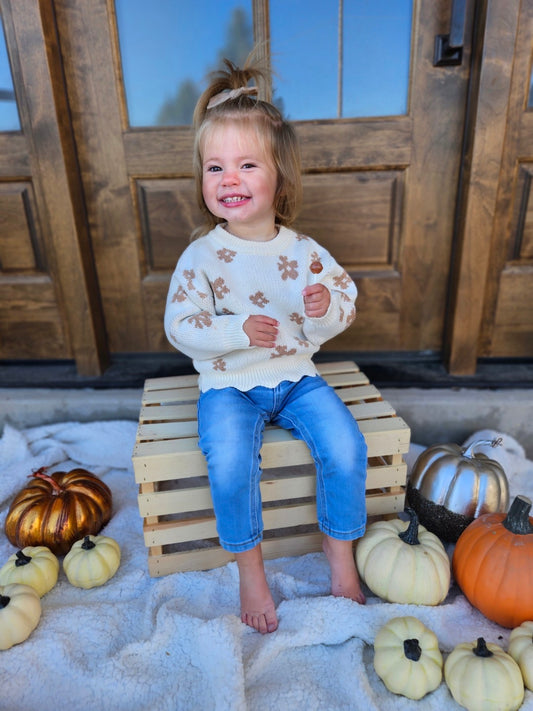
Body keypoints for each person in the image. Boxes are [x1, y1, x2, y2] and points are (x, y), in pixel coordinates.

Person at [164, 58, 367, 634]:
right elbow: (180, 325)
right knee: (229, 463)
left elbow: (342, 298)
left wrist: (324, 313)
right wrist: (235, 332)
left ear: (280, 175)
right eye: (215, 167)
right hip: (229, 383)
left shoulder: (303, 250)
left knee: (346, 448)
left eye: (247, 165)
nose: (228, 179)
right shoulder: (202, 256)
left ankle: (340, 554)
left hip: (296, 374)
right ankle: (249, 568)